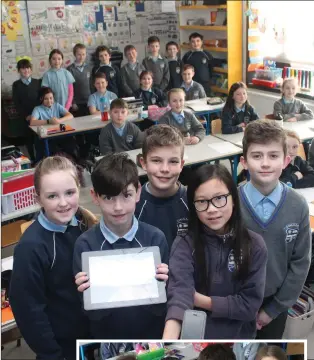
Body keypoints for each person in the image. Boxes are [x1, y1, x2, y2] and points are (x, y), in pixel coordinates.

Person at [163, 164, 268, 339]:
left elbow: (249, 306)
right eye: (202, 202)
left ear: (233, 198)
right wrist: (167, 342)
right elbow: (180, 295)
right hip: (196, 340)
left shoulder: (254, 245)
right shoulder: (184, 243)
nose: (211, 209)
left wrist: (199, 300)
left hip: (237, 339)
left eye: (219, 198)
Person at [73, 154, 169, 339]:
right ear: (95, 196)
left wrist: (165, 284)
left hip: (152, 337)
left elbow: (161, 306)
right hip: (107, 339)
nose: (118, 207)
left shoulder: (155, 239)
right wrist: (86, 294)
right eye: (109, 197)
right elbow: (91, 314)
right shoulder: (85, 246)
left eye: (126, 195)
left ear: (138, 193)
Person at [9, 156, 96, 360]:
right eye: (52, 196)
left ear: (79, 188)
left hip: (93, 338)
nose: (63, 203)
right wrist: (52, 354)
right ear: (37, 198)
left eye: (69, 193)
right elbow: (28, 311)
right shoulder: (30, 248)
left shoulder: (86, 225)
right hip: (61, 349)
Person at [239, 120, 311, 339]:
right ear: (244, 161)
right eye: (257, 156)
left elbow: (300, 263)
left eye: (273, 156)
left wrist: (273, 310)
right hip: (234, 303)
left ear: (286, 161)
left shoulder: (298, 205)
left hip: (274, 304)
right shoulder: (229, 204)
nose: (265, 163)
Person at [136, 124, 189, 248]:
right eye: (156, 160)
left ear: (181, 165)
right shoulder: (133, 205)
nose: (165, 169)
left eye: (173, 161)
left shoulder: (193, 201)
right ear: (143, 163)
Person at [12, 58, 41, 161]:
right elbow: (16, 103)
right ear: (19, 70)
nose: (26, 70)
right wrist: (26, 116)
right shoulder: (16, 85)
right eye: (23, 68)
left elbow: (40, 100)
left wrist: (36, 115)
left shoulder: (37, 82)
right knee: (28, 138)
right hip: (25, 117)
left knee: (39, 138)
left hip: (37, 116)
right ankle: (32, 159)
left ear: (31, 70)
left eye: (28, 68)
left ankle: (40, 158)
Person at [67, 43, 93, 117]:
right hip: (77, 103)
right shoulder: (70, 69)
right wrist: (73, 102)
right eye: (79, 54)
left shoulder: (89, 68)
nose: (81, 57)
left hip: (89, 101)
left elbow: (92, 85)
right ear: (74, 54)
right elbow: (69, 88)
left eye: (83, 54)